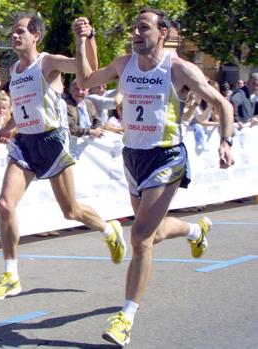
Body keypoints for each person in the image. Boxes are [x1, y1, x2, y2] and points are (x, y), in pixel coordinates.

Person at [75, 8, 234, 346]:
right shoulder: (124, 64)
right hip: (133, 157)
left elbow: (223, 105)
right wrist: (82, 40)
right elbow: (86, 80)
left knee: (141, 237)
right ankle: (195, 229)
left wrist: (226, 141)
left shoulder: (179, 69)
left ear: (163, 33)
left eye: (143, 27)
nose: (136, 32)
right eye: (134, 27)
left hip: (167, 157)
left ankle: (125, 318)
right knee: (155, 231)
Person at [0, 13, 126, 301]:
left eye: (21, 31)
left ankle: (107, 228)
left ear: (35, 36)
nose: (15, 36)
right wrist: (11, 127)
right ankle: (11, 274)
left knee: (71, 211)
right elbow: (23, 105)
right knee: (4, 203)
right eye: (13, 32)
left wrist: (85, 38)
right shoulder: (13, 70)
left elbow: (87, 69)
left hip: (51, 141)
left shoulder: (47, 62)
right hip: (25, 143)